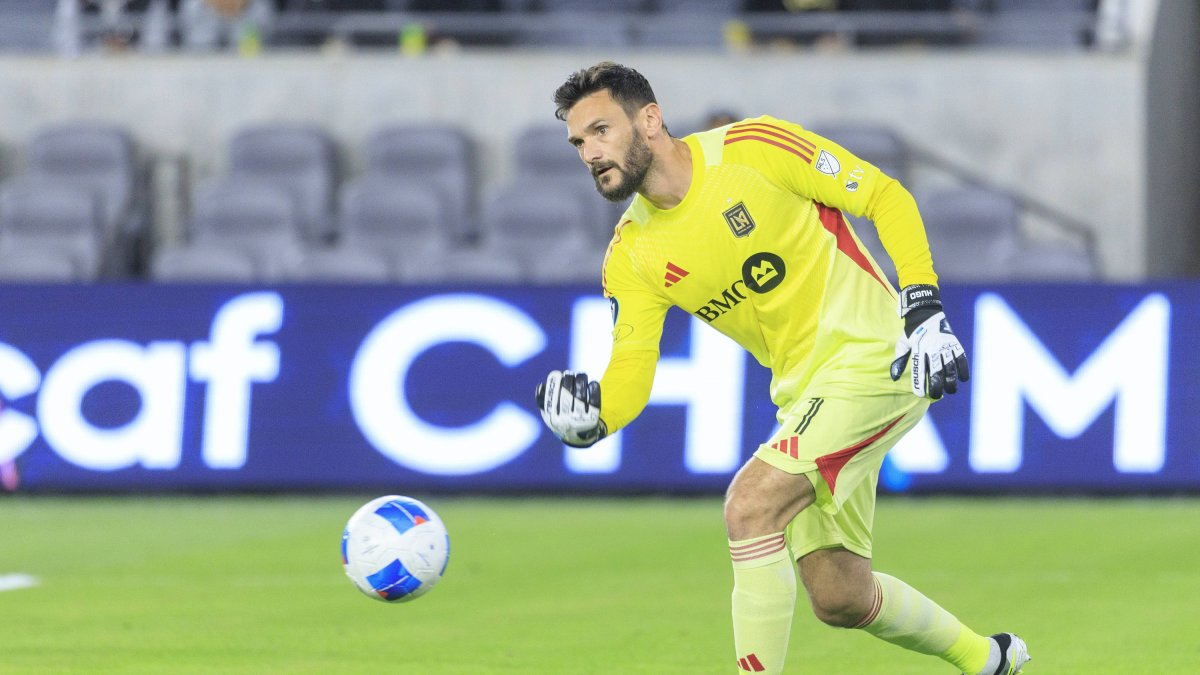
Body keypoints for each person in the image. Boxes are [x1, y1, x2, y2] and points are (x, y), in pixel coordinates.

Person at [534, 62, 1031, 675]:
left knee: (751, 505)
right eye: (578, 142)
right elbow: (632, 366)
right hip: (804, 396)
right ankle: (989, 659)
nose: (590, 153)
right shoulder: (632, 252)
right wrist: (597, 416)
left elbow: (885, 196)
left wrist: (922, 307)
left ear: (651, 119)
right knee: (841, 595)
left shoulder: (755, 148)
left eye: (601, 130)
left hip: (878, 355)